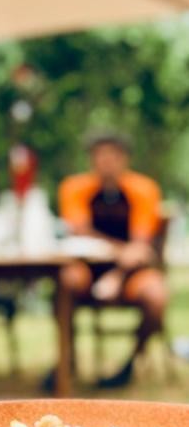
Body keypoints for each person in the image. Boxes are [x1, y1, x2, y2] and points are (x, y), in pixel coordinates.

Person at [58, 131, 167, 388]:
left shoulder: (143, 189)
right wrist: (120, 252)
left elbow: (140, 245)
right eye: (100, 155)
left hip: (131, 271)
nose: (106, 162)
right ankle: (65, 362)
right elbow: (78, 230)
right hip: (87, 266)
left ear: (125, 159)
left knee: (156, 295)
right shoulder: (75, 188)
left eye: (113, 156)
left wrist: (118, 273)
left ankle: (129, 363)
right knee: (65, 281)